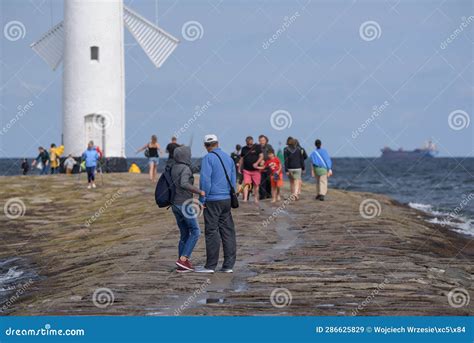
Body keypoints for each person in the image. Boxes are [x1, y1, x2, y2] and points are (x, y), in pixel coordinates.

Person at [197, 134, 237, 274]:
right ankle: (228, 266)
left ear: (205, 145)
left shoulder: (208, 158)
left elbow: (205, 181)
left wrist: (202, 199)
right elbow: (233, 180)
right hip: (226, 199)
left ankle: (210, 266)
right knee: (228, 231)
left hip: (212, 200)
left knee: (212, 231)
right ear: (217, 143)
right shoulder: (229, 158)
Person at [171, 145, 205, 273]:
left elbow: (190, 170)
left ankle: (181, 263)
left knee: (184, 234)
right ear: (185, 156)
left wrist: (202, 164)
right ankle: (184, 259)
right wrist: (199, 191)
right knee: (196, 231)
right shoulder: (185, 168)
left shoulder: (174, 167)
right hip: (185, 204)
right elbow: (184, 183)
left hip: (175, 205)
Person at [239, 136, 264, 204]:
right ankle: (245, 199)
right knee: (246, 184)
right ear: (246, 142)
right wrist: (239, 168)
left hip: (256, 170)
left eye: (250, 144)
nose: (249, 145)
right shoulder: (244, 149)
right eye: (248, 144)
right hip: (246, 170)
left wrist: (257, 163)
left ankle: (256, 199)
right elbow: (241, 159)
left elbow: (261, 156)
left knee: (256, 185)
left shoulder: (257, 147)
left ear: (252, 141)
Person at [258, 135, 274, 200]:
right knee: (261, 182)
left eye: (263, 140)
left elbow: (272, 155)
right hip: (260, 167)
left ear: (266, 140)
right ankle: (262, 195)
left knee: (268, 181)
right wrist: (259, 161)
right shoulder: (257, 147)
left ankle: (268, 194)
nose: (262, 142)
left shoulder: (269, 147)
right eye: (260, 140)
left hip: (268, 167)